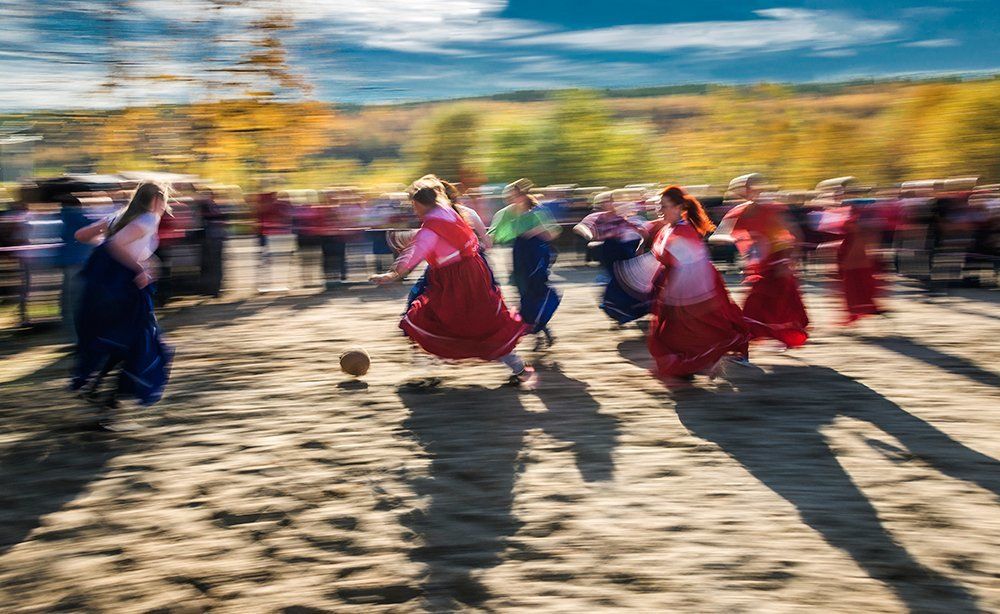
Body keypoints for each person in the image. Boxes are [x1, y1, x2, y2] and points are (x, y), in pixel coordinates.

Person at [371, 177, 536, 388]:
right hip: (472, 273)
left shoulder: (432, 226)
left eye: (413, 204)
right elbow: (433, 238)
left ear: (420, 203)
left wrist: (392, 274)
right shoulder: (447, 211)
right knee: (484, 323)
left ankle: (427, 372)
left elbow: (419, 249)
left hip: (455, 280)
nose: (413, 210)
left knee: (422, 319)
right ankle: (520, 369)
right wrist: (408, 237)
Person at [70, 182, 174, 424]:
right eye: (166, 199)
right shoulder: (148, 219)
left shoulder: (119, 216)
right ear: (158, 199)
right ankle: (104, 394)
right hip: (127, 289)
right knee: (142, 342)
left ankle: (100, 391)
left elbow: (82, 235)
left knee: (124, 340)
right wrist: (139, 266)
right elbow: (116, 245)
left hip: (106, 288)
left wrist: (113, 254)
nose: (166, 205)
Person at [646, 186, 750, 384]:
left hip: (695, 286)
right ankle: (688, 367)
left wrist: (677, 295)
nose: (660, 210)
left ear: (678, 208)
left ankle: (703, 361)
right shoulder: (669, 229)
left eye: (664, 206)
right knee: (668, 333)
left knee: (696, 327)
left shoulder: (682, 231)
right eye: (659, 206)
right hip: (678, 285)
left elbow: (692, 268)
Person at [711, 174, 809, 350]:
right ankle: (747, 345)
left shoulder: (771, 209)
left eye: (752, 187)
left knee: (772, 305)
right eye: (743, 189)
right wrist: (741, 241)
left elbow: (794, 234)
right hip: (760, 266)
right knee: (760, 305)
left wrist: (789, 260)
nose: (748, 192)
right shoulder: (738, 212)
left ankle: (746, 347)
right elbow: (718, 235)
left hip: (778, 262)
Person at [488, 178, 561, 349]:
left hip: (536, 255)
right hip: (519, 256)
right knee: (522, 292)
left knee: (537, 292)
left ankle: (541, 329)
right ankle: (542, 330)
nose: (512, 199)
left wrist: (534, 231)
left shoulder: (537, 211)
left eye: (515, 195)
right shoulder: (506, 213)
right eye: (509, 196)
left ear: (523, 195)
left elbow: (554, 232)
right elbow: (493, 233)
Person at [573, 190, 651, 324]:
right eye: (608, 201)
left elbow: (642, 232)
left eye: (612, 201)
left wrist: (641, 246)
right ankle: (618, 311)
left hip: (625, 251)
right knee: (617, 281)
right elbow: (580, 227)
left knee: (630, 281)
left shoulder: (620, 218)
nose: (612, 204)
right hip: (609, 251)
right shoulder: (597, 217)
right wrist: (590, 236)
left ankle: (630, 310)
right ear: (601, 204)